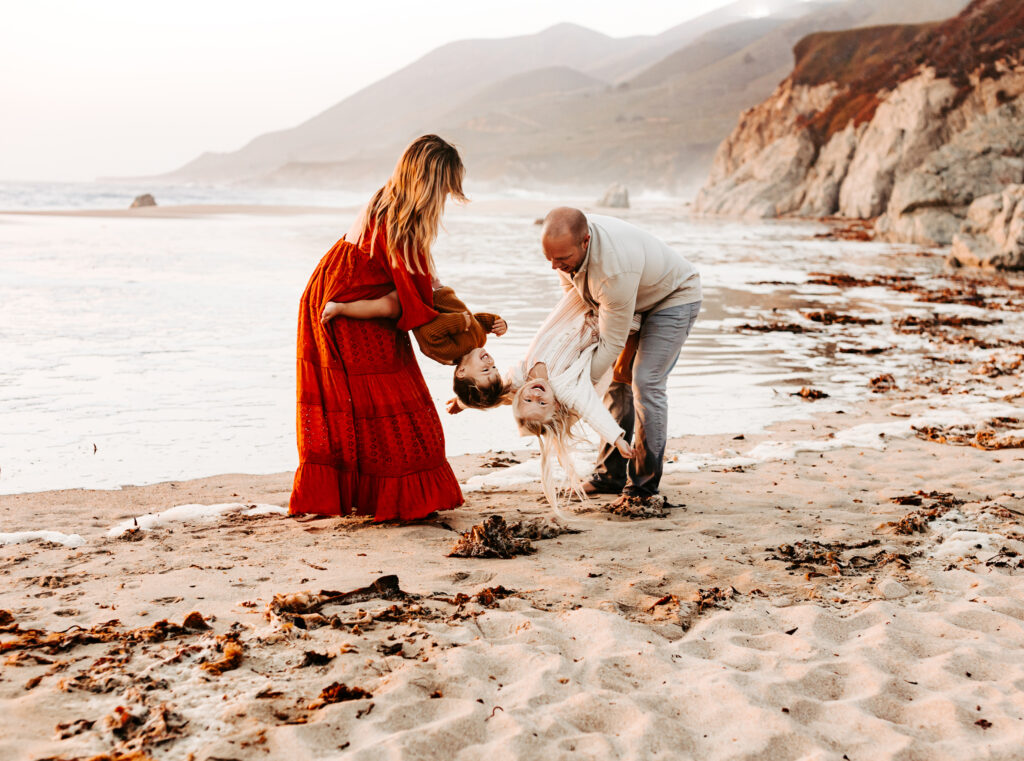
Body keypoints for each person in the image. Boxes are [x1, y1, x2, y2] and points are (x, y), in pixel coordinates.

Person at [289, 134, 467, 521]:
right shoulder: (399, 224)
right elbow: (399, 303)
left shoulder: (388, 200)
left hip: (332, 293)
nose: (447, 200)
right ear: (431, 185)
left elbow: (417, 280)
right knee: (395, 407)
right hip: (343, 308)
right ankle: (398, 499)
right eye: (446, 190)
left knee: (367, 407)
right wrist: (346, 309)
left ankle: (373, 496)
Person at [541, 207, 702, 506]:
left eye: (561, 259)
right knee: (617, 382)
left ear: (585, 241)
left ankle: (643, 485)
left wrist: (576, 389)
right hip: (633, 298)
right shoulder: (567, 253)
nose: (554, 266)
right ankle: (609, 476)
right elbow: (578, 306)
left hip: (673, 297)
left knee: (645, 382)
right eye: (549, 258)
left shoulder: (612, 270)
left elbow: (612, 342)